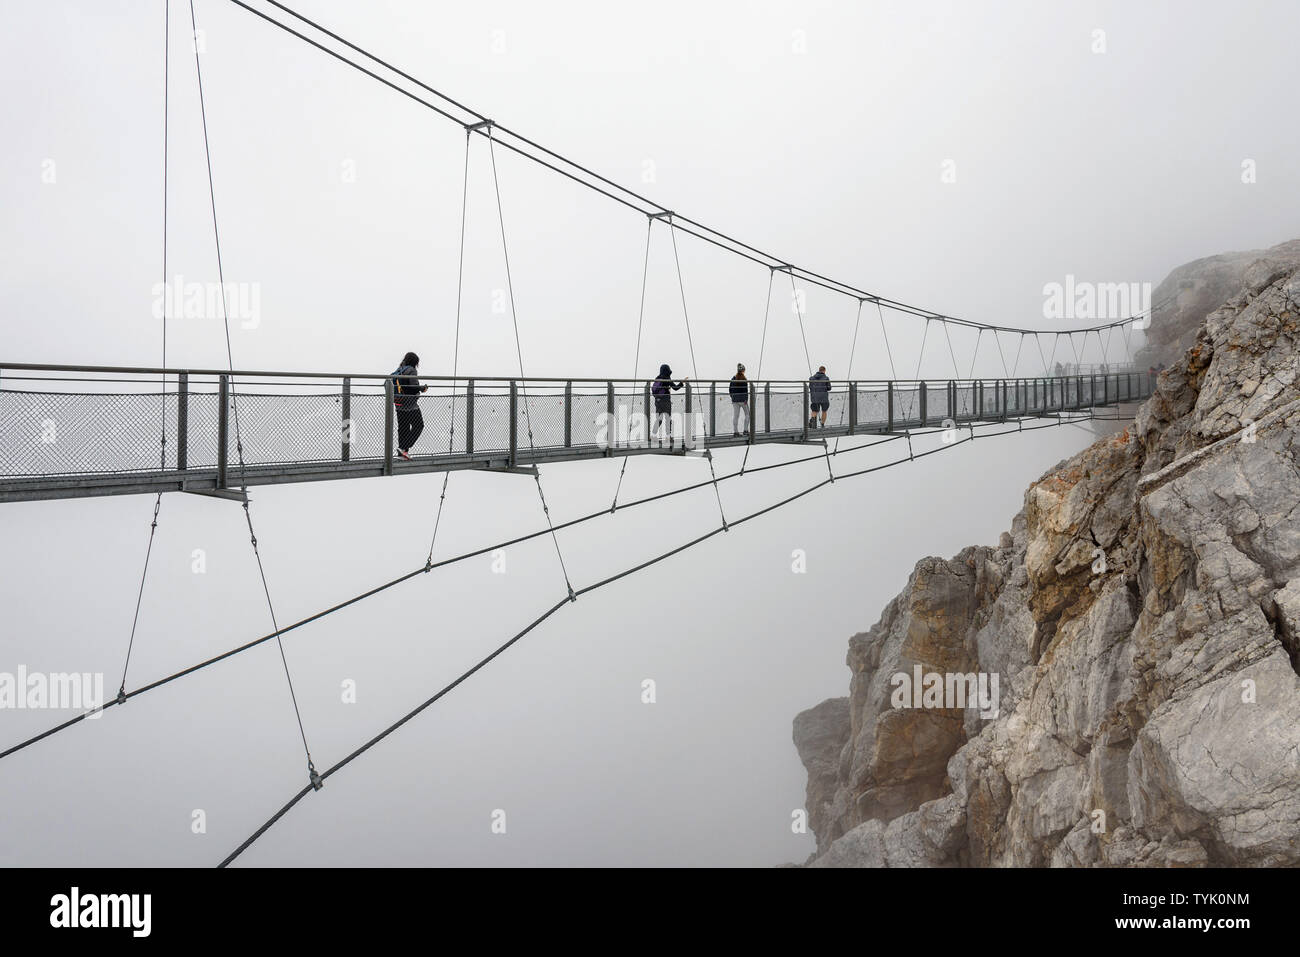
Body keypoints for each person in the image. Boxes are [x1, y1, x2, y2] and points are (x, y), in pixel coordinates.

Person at [391, 351, 428, 460]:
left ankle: (402, 453)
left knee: (403, 428)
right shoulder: (411, 370)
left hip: (399, 403)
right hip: (410, 404)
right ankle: (403, 448)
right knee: (419, 425)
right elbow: (413, 386)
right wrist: (423, 388)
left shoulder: (399, 370)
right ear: (415, 362)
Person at [650, 363, 686, 444]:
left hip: (658, 401)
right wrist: (682, 382)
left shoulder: (658, 378)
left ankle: (653, 435)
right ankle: (668, 437)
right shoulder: (667, 379)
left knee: (659, 419)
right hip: (665, 401)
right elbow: (675, 388)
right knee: (668, 419)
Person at [729, 363, 750, 436]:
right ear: (743, 371)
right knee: (747, 414)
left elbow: (730, 390)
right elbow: (745, 391)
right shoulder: (744, 379)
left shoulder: (733, 379)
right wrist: (745, 400)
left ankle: (735, 432)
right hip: (742, 400)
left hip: (735, 400)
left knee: (736, 416)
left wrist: (733, 397)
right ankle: (745, 430)